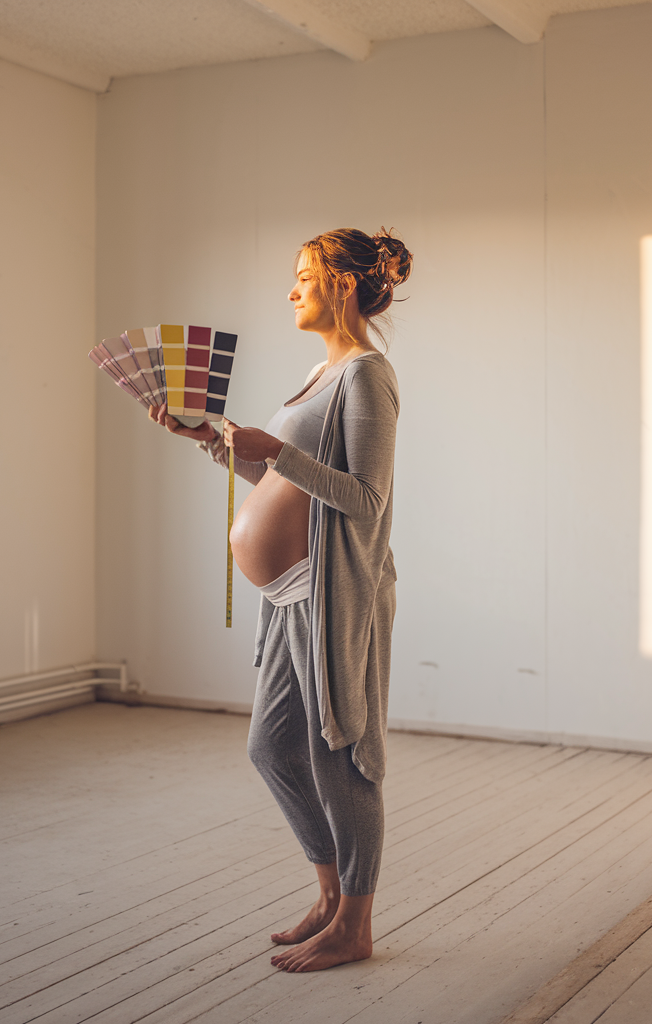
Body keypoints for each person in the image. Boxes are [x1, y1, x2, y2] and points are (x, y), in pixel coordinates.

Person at [149, 227, 412, 972]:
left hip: (335, 598)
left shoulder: (367, 377)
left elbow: (365, 500)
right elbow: (284, 486)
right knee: (271, 747)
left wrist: (277, 451)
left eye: (304, 275)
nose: (291, 289)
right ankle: (330, 897)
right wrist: (212, 441)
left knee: (343, 756)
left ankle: (355, 925)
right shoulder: (319, 375)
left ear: (344, 284)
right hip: (290, 598)